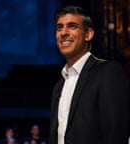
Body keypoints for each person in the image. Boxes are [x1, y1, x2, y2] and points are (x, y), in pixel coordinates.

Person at [49, 5, 130, 144]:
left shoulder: (108, 72)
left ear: (88, 34)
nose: (63, 32)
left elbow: (116, 134)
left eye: (72, 26)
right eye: (59, 27)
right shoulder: (59, 86)